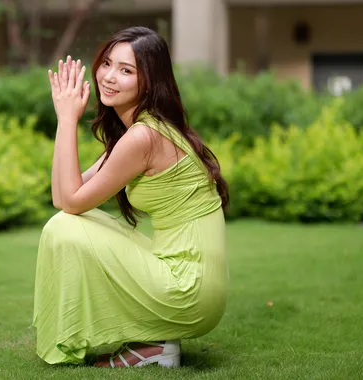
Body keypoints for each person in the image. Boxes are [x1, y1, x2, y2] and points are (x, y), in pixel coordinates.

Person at [32, 26, 230, 368]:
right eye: (107, 63)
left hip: (189, 290)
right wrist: (64, 121)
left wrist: (67, 120)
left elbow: (71, 202)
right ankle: (156, 344)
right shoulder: (146, 129)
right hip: (188, 280)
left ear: (149, 81)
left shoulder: (145, 136)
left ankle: (157, 335)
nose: (109, 76)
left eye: (126, 70)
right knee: (65, 221)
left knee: (63, 228)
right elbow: (62, 195)